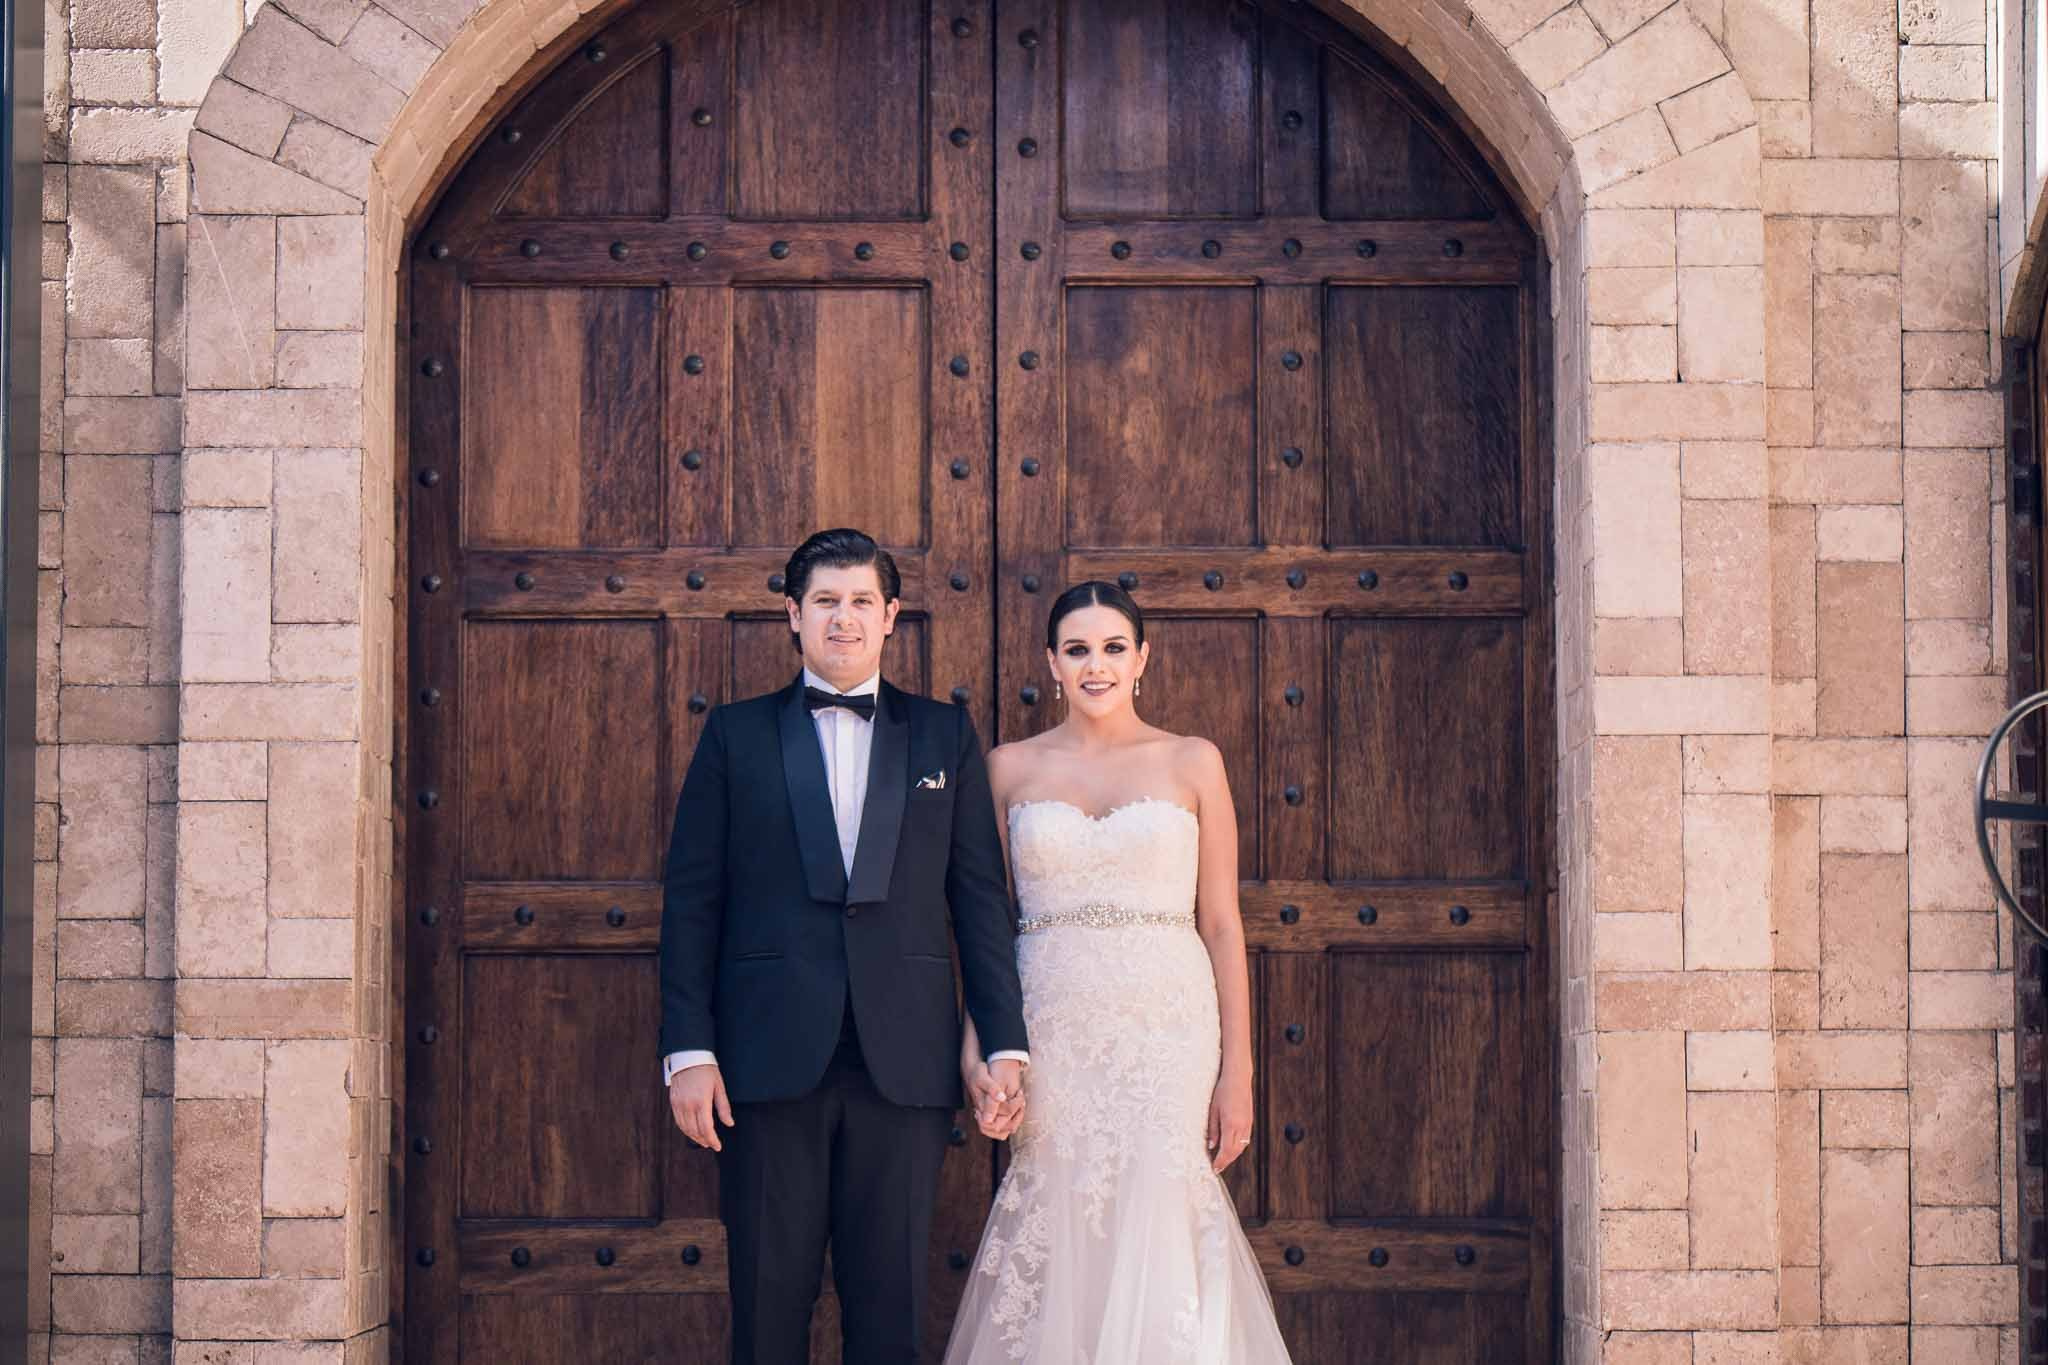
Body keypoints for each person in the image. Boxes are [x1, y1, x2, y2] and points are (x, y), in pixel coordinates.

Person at [658, 527, 1031, 1365]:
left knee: (891, 1320)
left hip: (905, 1063)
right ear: (793, 614)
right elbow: (692, 901)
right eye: (825, 600)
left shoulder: (943, 735)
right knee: (767, 1315)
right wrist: (688, 1049)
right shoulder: (734, 735)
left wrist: (1004, 1041)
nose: (844, 618)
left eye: (862, 600)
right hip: (762, 1063)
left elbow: (978, 900)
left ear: (891, 615)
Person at [943, 580, 1294, 1364]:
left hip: (1167, 1027)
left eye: (1112, 648)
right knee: (1061, 1203)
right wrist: (979, 1048)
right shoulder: (1007, 769)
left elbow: (1221, 923)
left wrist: (1239, 1071)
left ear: (1142, 658)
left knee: (1160, 1206)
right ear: (1052, 662)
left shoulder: (1193, 760)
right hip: (1052, 1025)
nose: (1095, 665)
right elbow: (987, 928)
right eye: (1077, 649)